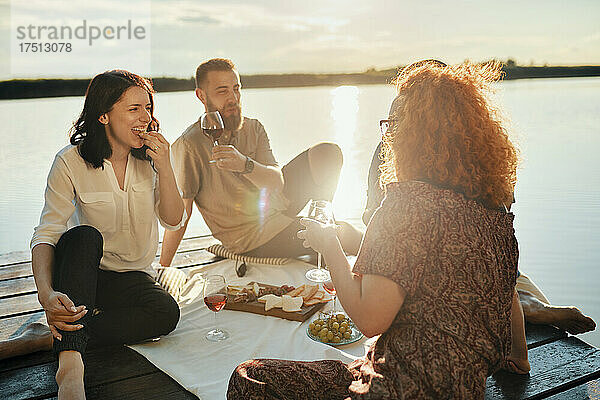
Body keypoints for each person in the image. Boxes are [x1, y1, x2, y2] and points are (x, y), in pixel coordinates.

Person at [227, 61, 529, 399]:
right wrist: (518, 358)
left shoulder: (407, 203)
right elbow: (510, 299)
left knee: (249, 378)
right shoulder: (496, 211)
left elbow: (369, 320)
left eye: (392, 124)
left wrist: (329, 245)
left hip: (401, 388)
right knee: (344, 367)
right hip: (463, 386)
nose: (388, 136)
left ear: (415, 133)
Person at [363, 61, 595, 336]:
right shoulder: (490, 154)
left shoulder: (390, 152)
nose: (391, 130)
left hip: (436, 280)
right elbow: (501, 224)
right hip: (499, 275)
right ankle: (528, 304)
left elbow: (373, 221)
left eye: (398, 118)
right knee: (499, 290)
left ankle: (526, 305)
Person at [8, 70, 186, 400]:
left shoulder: (155, 158)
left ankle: (52, 335)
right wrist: (46, 294)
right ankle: (70, 370)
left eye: (148, 107)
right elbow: (46, 234)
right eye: (134, 109)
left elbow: (173, 220)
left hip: (130, 276)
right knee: (84, 236)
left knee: (166, 313)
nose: (146, 118)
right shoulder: (69, 161)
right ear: (103, 114)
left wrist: (167, 167)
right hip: (81, 272)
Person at [159, 58, 362, 268]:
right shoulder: (189, 145)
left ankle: (322, 225)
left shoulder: (253, 127)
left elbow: (277, 182)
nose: (233, 98)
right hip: (251, 237)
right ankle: (334, 240)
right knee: (345, 233)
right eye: (222, 91)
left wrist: (244, 164)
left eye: (236, 89)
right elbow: (182, 212)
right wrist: (164, 266)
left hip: (276, 205)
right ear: (202, 96)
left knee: (327, 153)